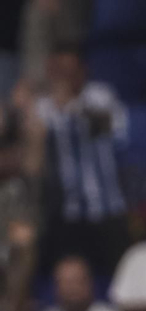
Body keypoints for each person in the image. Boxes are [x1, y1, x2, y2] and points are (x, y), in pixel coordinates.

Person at [25, 48, 129, 275]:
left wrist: (69, 105)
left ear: (83, 71)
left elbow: (110, 126)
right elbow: (33, 157)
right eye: (60, 71)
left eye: (71, 70)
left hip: (106, 207)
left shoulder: (100, 94)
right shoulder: (43, 105)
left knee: (119, 275)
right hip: (65, 210)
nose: (66, 77)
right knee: (63, 273)